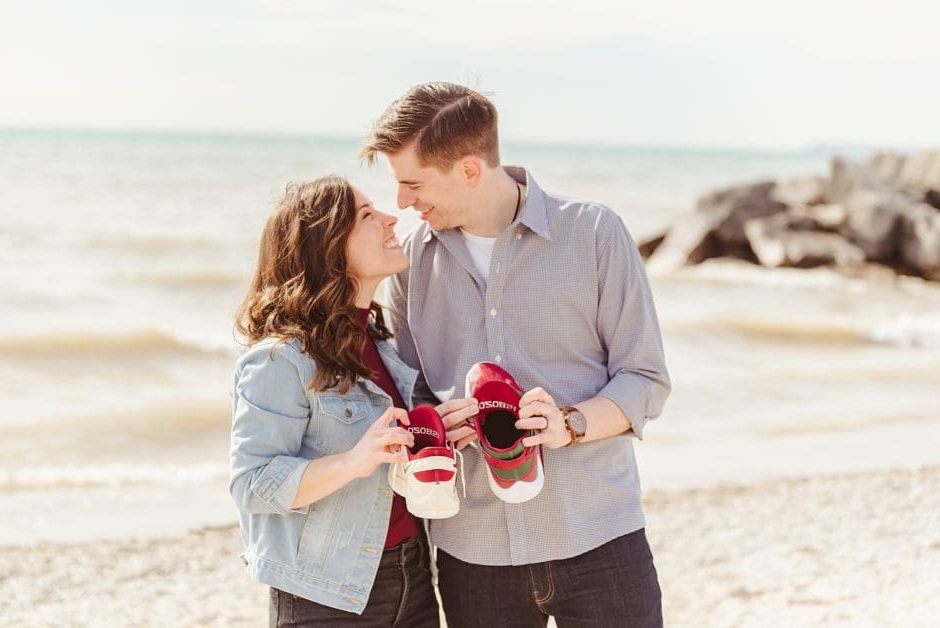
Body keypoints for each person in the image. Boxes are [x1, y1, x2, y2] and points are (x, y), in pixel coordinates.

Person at [361, 83, 672, 627]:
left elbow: (644, 378)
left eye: (413, 184)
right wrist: (434, 422)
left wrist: (569, 424)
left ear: (469, 169)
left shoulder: (596, 234)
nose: (403, 203)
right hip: (474, 554)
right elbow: (413, 395)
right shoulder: (409, 261)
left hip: (598, 535)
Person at [229, 175, 439, 627]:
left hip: (414, 576)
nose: (390, 217)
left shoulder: (383, 345)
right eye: (367, 215)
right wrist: (354, 460)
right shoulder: (280, 359)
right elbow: (251, 484)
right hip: (329, 598)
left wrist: (436, 430)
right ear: (326, 249)